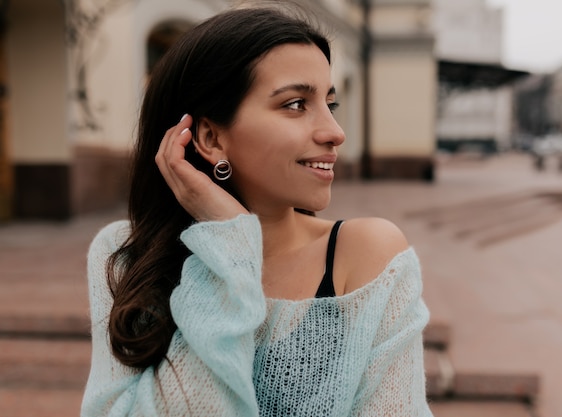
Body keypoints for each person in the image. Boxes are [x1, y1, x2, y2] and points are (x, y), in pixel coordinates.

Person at [81, 4, 433, 416]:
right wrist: (227, 244)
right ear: (211, 138)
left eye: (329, 104)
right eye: (296, 104)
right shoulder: (126, 256)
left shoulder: (367, 256)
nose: (334, 133)